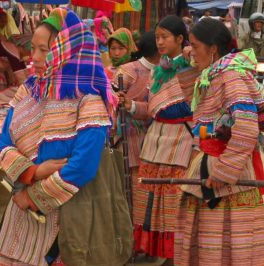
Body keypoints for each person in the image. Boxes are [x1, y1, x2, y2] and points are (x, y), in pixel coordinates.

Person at [0, 8, 113, 265]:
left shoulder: (88, 100)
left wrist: (33, 197)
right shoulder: (28, 90)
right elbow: (3, 144)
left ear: (66, 49)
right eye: (33, 48)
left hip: (68, 215)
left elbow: (82, 167)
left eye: (43, 50)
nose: (33, 57)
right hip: (20, 211)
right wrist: (33, 172)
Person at [175, 18, 264, 265]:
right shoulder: (213, 75)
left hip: (225, 175)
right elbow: (198, 112)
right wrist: (187, 61)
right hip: (210, 164)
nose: (190, 51)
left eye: (194, 46)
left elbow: (247, 128)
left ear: (213, 48)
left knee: (223, 248)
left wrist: (223, 171)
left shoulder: (231, 77)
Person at [136, 15, 199, 263]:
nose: (159, 42)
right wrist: (129, 107)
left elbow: (191, 106)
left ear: (180, 39)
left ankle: (176, 255)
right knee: (151, 201)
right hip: (155, 142)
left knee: (174, 202)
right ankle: (155, 252)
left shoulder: (190, 66)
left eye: (165, 37)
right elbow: (153, 109)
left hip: (180, 142)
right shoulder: (158, 72)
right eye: (157, 37)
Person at [114, 31, 160, 254]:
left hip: (153, 143)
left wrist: (134, 106)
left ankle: (141, 244)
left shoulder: (163, 73)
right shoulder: (129, 71)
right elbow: (112, 104)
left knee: (142, 197)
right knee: (128, 195)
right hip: (128, 141)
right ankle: (129, 243)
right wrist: (128, 106)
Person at [240, 12, 264, 99]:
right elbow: (241, 50)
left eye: (261, 23)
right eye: (257, 22)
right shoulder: (246, 38)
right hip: (249, 63)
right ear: (252, 24)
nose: (259, 25)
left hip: (263, 63)